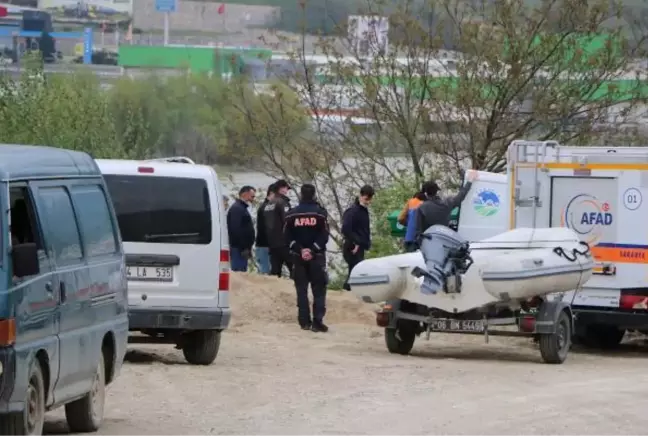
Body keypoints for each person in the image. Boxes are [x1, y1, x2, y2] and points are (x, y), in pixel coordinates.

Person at [284, 183, 330, 332]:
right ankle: (317, 322)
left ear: (301, 195)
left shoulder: (291, 214)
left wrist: (301, 250)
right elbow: (324, 235)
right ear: (314, 195)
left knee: (301, 290)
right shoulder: (320, 214)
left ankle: (304, 322)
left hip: (298, 257)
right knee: (319, 290)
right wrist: (312, 249)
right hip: (317, 256)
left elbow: (286, 236)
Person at [415, 170, 478, 242]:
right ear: (437, 192)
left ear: (426, 194)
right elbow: (461, 196)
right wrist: (470, 180)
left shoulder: (422, 208)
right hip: (443, 241)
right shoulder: (447, 204)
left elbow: (418, 231)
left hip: (428, 242)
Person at [341, 185, 374, 291]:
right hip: (352, 246)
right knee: (356, 270)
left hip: (360, 245)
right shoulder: (352, 211)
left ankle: (349, 290)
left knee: (354, 271)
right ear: (360, 196)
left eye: (370, 199)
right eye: (366, 199)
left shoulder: (363, 211)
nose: (368, 201)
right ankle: (350, 290)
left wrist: (366, 242)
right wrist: (356, 242)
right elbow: (346, 229)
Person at [264, 179, 293, 277]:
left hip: (272, 243)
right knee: (295, 270)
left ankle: (274, 291)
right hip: (284, 242)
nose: (287, 191)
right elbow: (288, 221)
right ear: (281, 189)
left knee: (275, 272)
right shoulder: (282, 202)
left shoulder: (268, 204)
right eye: (286, 188)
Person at [227, 186, 256, 272]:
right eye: (252, 196)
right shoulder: (237, 209)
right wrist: (243, 247)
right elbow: (235, 229)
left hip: (242, 248)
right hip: (239, 249)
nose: (253, 199)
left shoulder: (242, 208)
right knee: (239, 273)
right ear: (245, 194)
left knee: (242, 271)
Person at [255, 183, 275, 275]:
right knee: (265, 272)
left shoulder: (267, 206)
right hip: (264, 245)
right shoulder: (266, 207)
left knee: (266, 270)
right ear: (271, 193)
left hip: (266, 244)